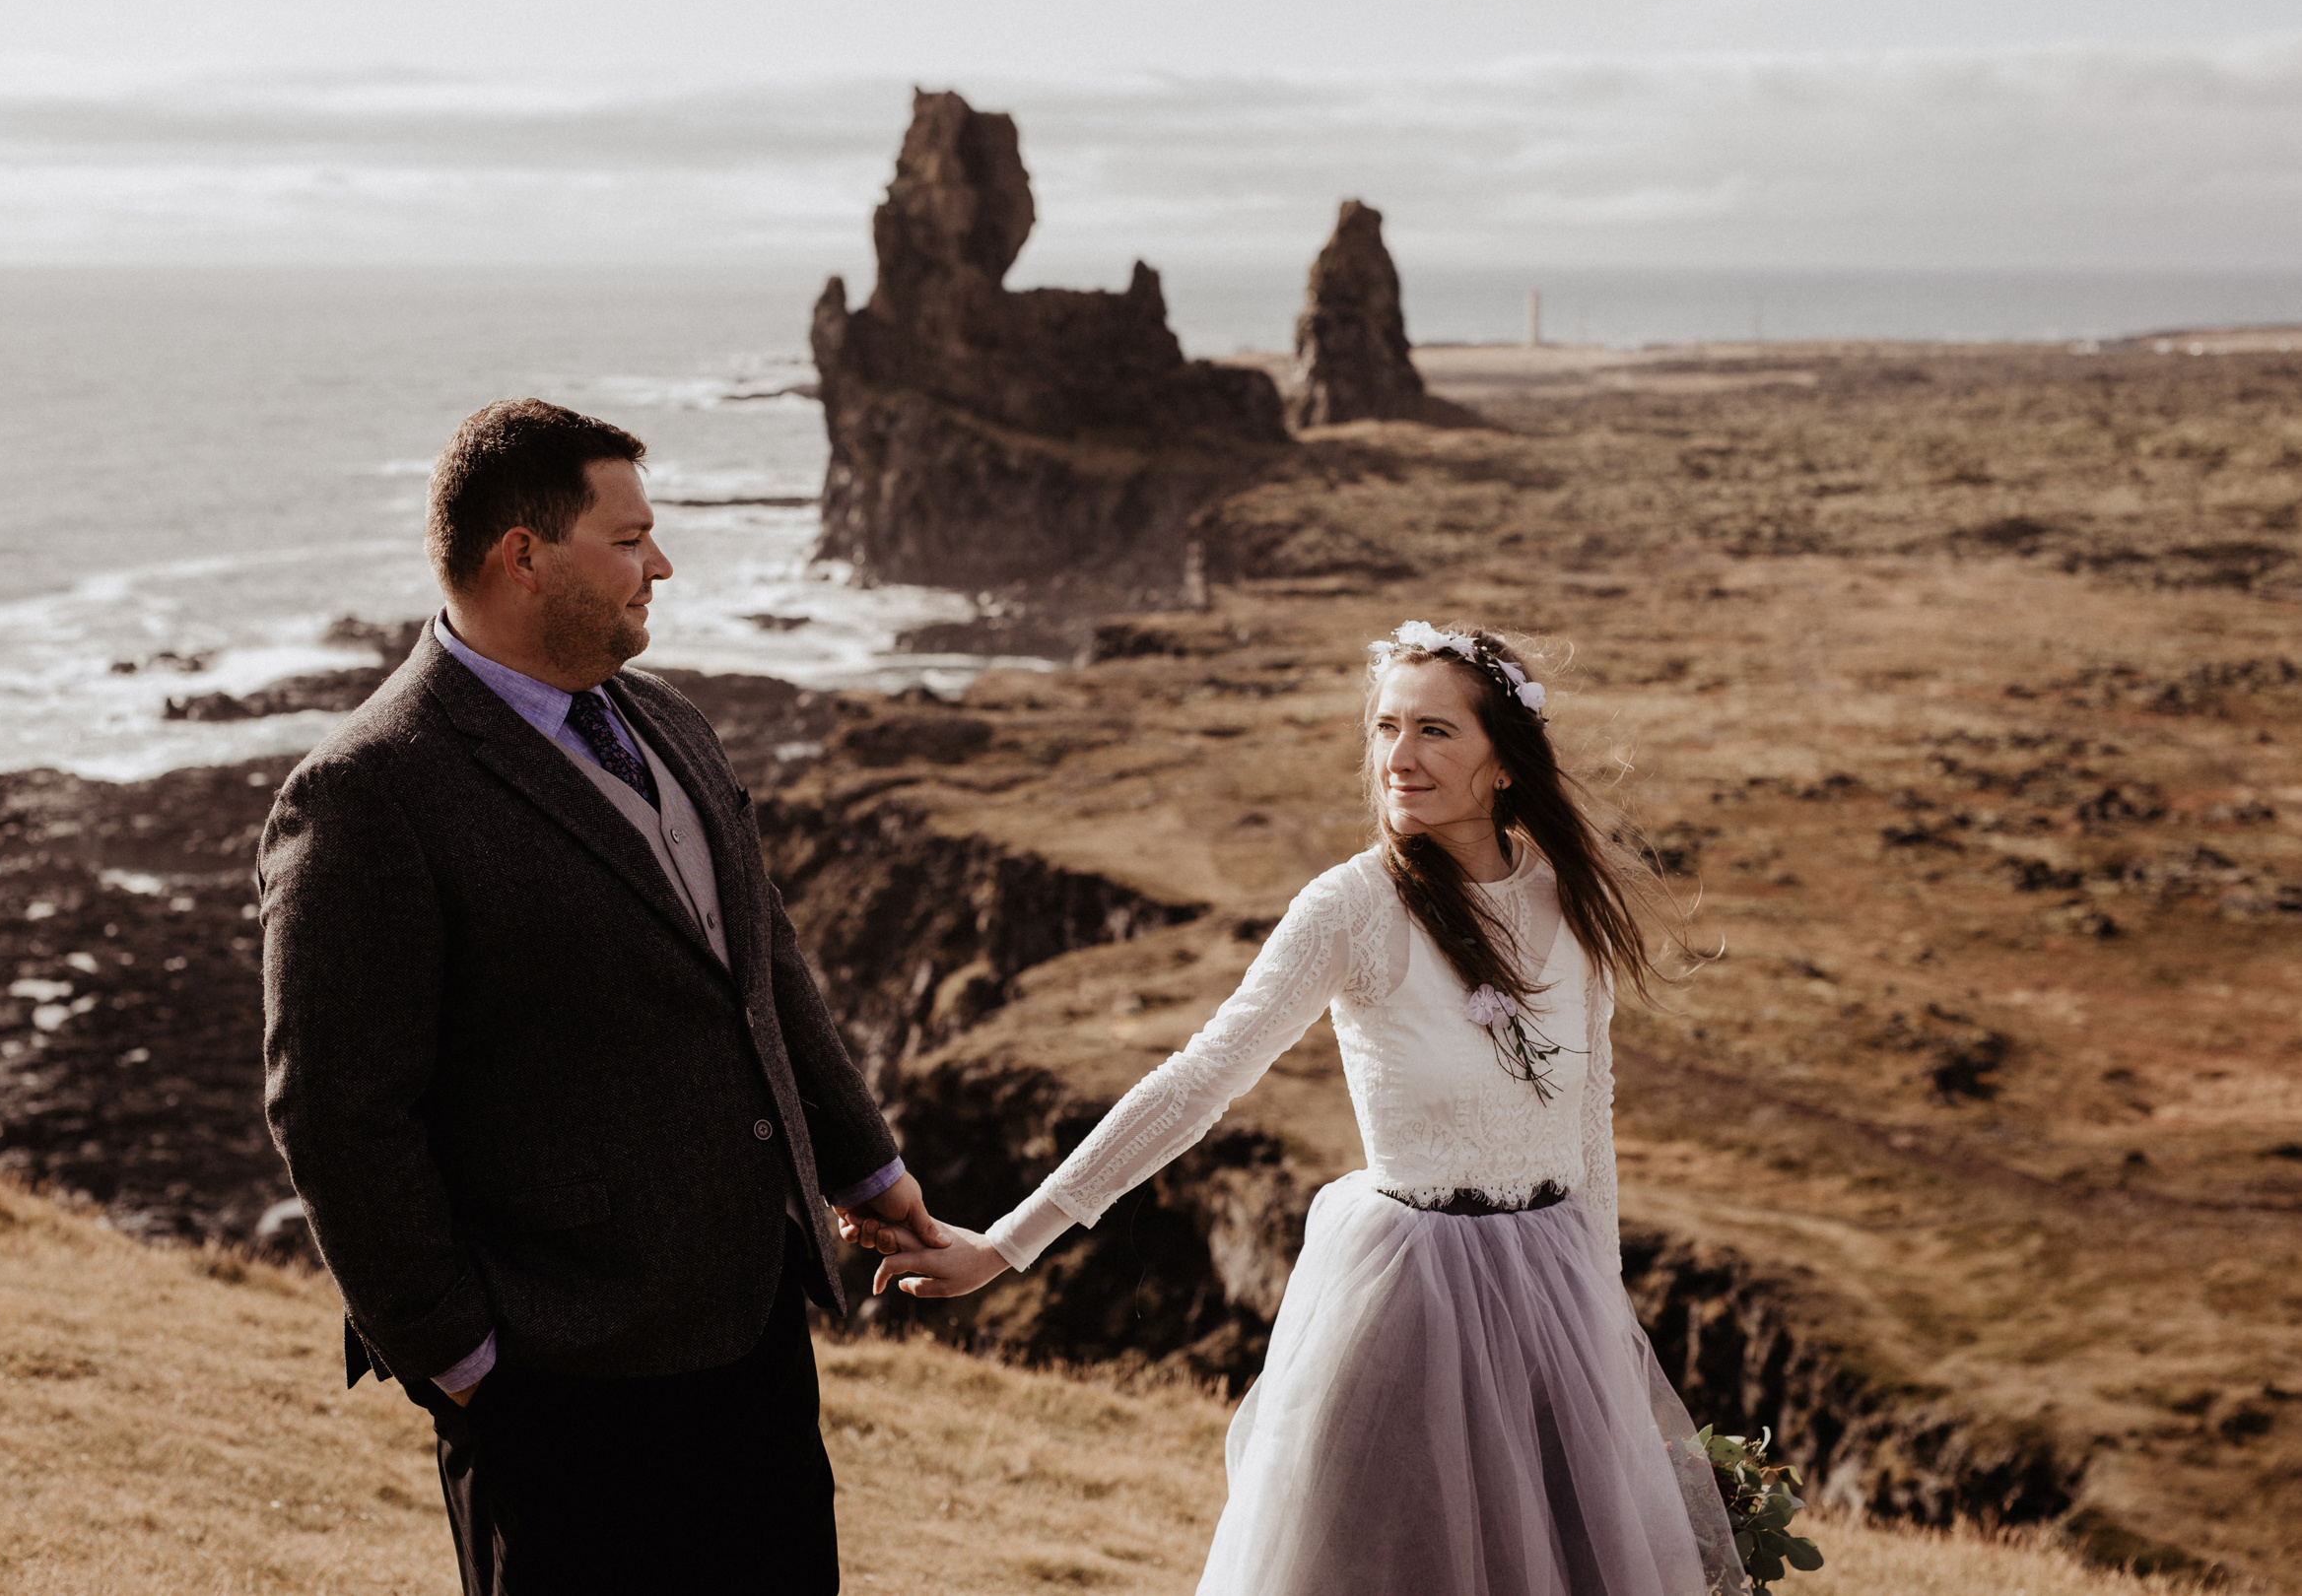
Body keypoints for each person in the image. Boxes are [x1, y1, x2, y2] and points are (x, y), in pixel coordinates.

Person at [858, 620, 1747, 1596]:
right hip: (1413, 1310)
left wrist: (1605, 1329)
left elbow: (1589, 1123)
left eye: (1434, 731)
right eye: (1384, 728)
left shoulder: (1566, 896)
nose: (1397, 758)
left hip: (1557, 1303)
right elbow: (1198, 1079)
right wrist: (1006, 1242)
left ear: (1504, 761)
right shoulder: (1351, 907)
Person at [259, 397, 943, 1594]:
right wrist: (457, 1353)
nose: (659, 564)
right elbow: (336, 1110)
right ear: (521, 554)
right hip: (553, 1378)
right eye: (628, 540)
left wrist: (864, 1165)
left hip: (752, 1334)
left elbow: (760, 961)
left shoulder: (668, 719)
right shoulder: (370, 791)